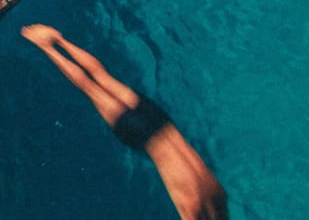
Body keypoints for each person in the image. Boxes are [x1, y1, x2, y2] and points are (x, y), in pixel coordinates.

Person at [21, 24, 228, 220]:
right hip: (142, 136)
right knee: (90, 89)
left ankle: (58, 39)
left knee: (103, 77)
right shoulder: (193, 212)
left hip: (159, 121)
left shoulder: (219, 196)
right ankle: (46, 47)